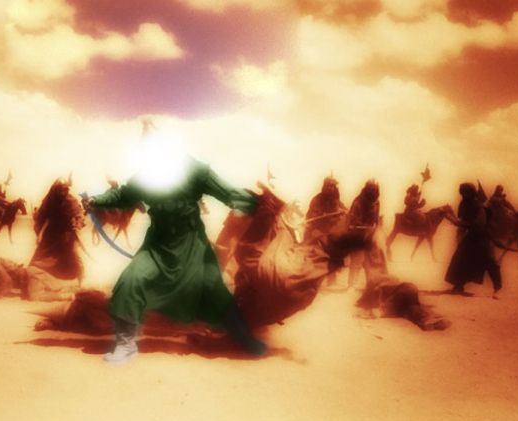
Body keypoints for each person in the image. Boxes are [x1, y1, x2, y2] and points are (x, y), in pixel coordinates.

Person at [86, 154, 266, 364]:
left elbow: (231, 194)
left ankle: (245, 340)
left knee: (213, 289)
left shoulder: (195, 171)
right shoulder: (146, 176)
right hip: (157, 245)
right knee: (131, 280)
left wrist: (245, 205)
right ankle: (126, 345)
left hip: (192, 245)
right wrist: (96, 200)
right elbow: (124, 195)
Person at [444, 183, 502, 295]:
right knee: (460, 258)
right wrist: (451, 218)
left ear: (471, 193)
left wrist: (459, 222)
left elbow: (480, 223)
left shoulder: (478, 206)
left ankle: (497, 286)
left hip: (482, 236)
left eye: (466, 192)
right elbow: (461, 220)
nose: (464, 195)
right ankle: (458, 286)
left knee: (489, 261)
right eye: (462, 192)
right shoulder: (463, 204)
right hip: (471, 235)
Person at [30, 178, 86, 286]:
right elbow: (44, 217)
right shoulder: (50, 200)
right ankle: (34, 277)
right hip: (52, 235)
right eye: (60, 190)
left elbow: (79, 214)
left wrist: (77, 224)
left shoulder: (70, 200)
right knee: (40, 257)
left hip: (67, 234)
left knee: (73, 255)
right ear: (55, 190)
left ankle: (80, 280)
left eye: (65, 190)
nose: (63, 192)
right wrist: (40, 234)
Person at [345, 180, 381, 289]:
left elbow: (376, 218)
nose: (373, 192)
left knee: (373, 259)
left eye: (374, 190)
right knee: (357, 258)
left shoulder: (376, 203)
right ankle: (351, 285)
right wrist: (360, 225)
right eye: (371, 190)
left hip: (370, 233)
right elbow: (352, 218)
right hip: (357, 233)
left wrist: (375, 227)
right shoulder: (358, 202)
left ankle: (373, 284)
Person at [303, 176, 347, 244]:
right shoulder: (317, 199)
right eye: (330, 186)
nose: (332, 188)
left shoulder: (335, 200)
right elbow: (312, 217)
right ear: (325, 186)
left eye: (333, 186)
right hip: (317, 230)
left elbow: (344, 209)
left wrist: (344, 212)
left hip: (331, 231)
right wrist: (323, 215)